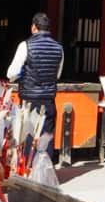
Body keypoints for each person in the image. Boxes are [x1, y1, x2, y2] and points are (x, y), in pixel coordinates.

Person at [7, 12, 64, 152]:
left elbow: (11, 74)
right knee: (46, 138)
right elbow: (57, 75)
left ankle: (28, 164)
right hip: (48, 100)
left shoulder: (25, 45)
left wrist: (22, 74)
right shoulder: (59, 48)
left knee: (28, 138)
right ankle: (45, 165)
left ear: (33, 27)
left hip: (29, 100)